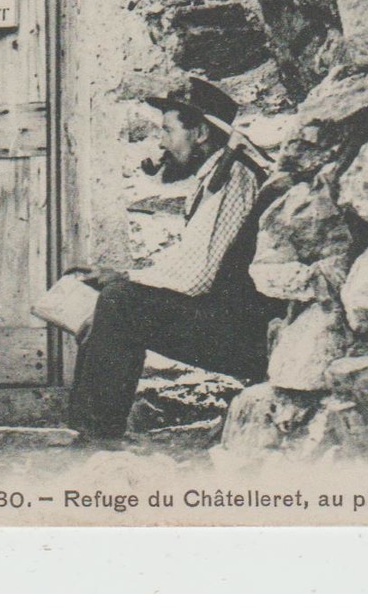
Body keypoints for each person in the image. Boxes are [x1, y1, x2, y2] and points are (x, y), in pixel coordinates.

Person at [66, 78, 282, 446]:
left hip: (246, 335)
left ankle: (98, 433)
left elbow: (198, 278)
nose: (161, 142)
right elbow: (191, 262)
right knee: (114, 302)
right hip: (227, 319)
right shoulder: (215, 175)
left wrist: (123, 278)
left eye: (168, 130)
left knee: (121, 302)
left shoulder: (234, 176)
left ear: (199, 134)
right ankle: (88, 429)